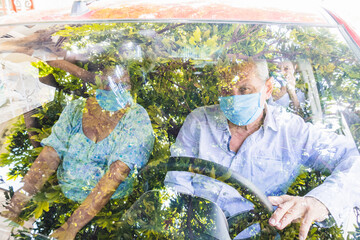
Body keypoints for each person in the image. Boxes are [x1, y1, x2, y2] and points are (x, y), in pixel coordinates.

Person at [165, 59, 360, 239]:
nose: (234, 98)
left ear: (267, 89)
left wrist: (321, 201)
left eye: (244, 89)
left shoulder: (291, 131)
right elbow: (177, 183)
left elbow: (354, 158)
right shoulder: (200, 121)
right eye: (226, 90)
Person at [1, 65, 154, 240]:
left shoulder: (137, 117)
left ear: (131, 88)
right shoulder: (76, 108)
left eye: (122, 85)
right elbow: (50, 155)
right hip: (61, 198)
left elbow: (117, 173)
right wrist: (16, 204)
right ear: (97, 84)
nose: (113, 89)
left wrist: (71, 226)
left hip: (110, 212)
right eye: (107, 83)